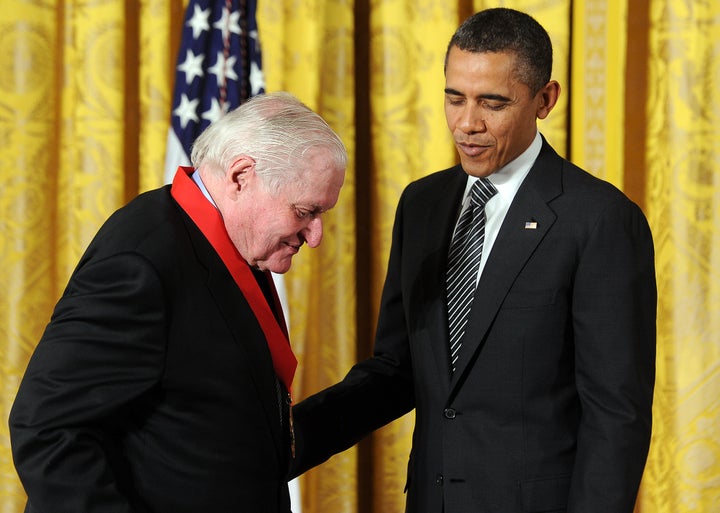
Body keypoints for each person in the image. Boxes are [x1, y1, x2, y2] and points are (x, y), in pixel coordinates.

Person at [291, 8, 656, 513]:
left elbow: (616, 416)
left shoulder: (599, 220)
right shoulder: (421, 204)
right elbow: (397, 371)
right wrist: (285, 440)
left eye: (493, 102)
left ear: (544, 99)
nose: (467, 124)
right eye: (454, 97)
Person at [9, 91, 347, 513]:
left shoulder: (233, 246)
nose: (315, 236)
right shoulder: (142, 262)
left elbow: (236, 433)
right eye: (305, 212)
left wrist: (398, 377)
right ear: (241, 176)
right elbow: (46, 428)